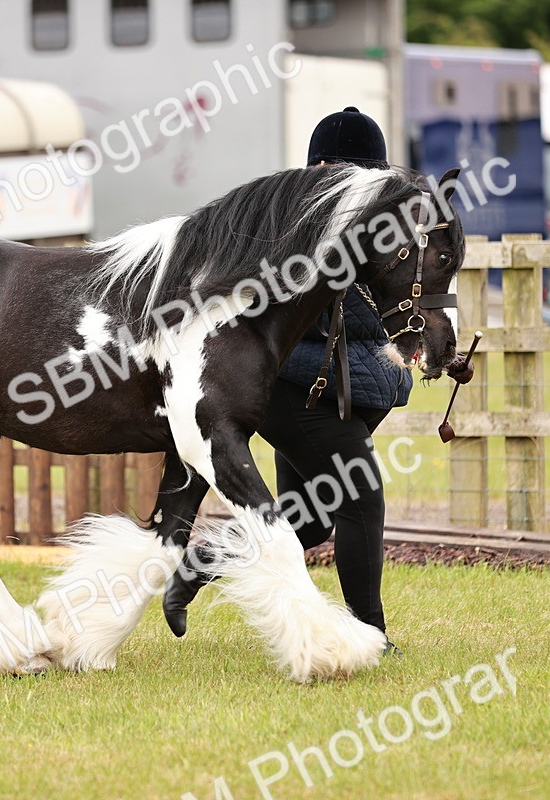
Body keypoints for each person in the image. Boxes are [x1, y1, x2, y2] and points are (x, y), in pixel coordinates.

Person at [162, 107, 409, 652]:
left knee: (310, 521)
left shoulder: (357, 233)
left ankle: (202, 564)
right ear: (323, 169)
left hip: (321, 394)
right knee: (360, 494)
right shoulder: (298, 232)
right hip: (289, 391)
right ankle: (370, 631)